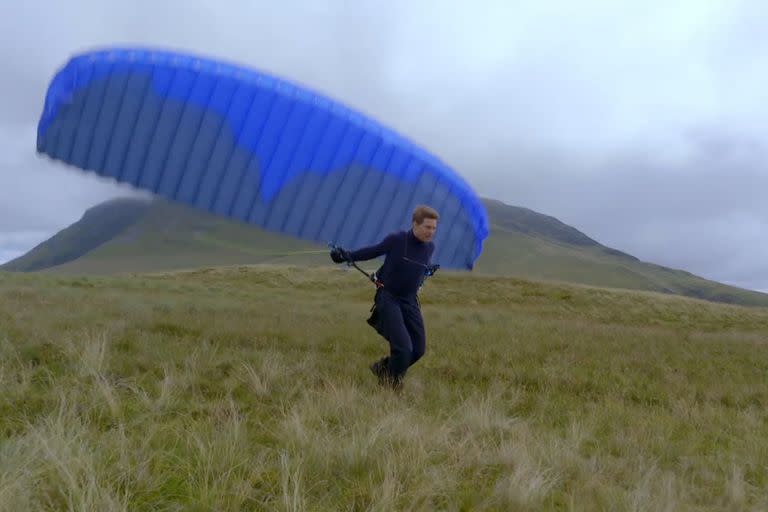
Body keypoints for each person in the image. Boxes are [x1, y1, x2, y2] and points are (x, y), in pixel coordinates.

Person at [330, 205, 439, 392]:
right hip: (389, 298)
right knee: (404, 349)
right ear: (415, 223)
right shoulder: (397, 240)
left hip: (410, 301)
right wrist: (346, 255)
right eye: (427, 227)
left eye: (434, 228)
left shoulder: (430, 247)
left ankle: (383, 368)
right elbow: (373, 251)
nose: (431, 232)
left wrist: (427, 269)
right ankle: (391, 386)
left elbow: (420, 265)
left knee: (418, 350)